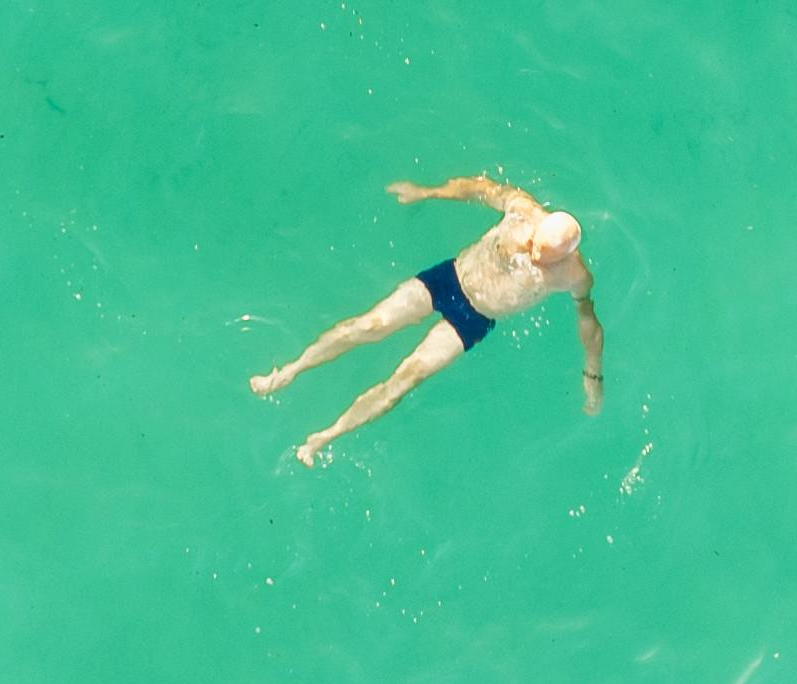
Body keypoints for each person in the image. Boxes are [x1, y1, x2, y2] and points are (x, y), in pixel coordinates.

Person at [250, 174, 603, 467]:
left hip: (473, 319)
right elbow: (482, 188)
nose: (532, 253)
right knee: (369, 325)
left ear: (564, 257)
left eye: (542, 258)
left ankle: (323, 438)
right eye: (533, 245)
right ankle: (289, 371)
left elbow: (588, 320)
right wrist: (427, 192)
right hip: (449, 278)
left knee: (405, 379)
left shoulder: (573, 275)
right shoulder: (523, 212)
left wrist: (592, 372)